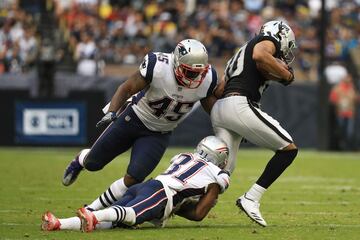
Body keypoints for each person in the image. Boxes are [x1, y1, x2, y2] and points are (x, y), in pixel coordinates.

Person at [62, 39, 221, 211]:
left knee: (134, 177)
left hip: (159, 133)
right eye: (190, 72)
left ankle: (92, 209)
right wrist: (112, 112)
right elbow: (127, 88)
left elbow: (212, 107)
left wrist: (227, 126)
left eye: (199, 72)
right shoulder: (158, 66)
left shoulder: (208, 79)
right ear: (177, 63)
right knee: (94, 163)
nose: (195, 77)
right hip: (133, 119)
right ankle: (81, 159)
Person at [210, 20, 298, 227]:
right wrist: (286, 75)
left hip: (221, 108)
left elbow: (219, 90)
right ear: (281, 35)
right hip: (239, 104)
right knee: (288, 149)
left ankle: (180, 198)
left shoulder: (240, 52)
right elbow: (261, 56)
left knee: (221, 172)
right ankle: (251, 198)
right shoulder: (266, 41)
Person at [42, 136, 230, 232]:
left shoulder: (184, 156)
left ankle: (59, 223)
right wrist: (199, 202)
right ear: (219, 156)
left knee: (115, 222)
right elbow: (198, 215)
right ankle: (92, 215)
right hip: (162, 194)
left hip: (147, 187)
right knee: (131, 216)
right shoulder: (218, 175)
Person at [329, 72, 359, 150]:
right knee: (341, 131)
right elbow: (332, 99)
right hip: (341, 113)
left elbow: (356, 99)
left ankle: (347, 147)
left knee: (350, 132)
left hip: (350, 113)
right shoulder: (338, 88)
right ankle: (341, 146)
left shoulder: (352, 88)